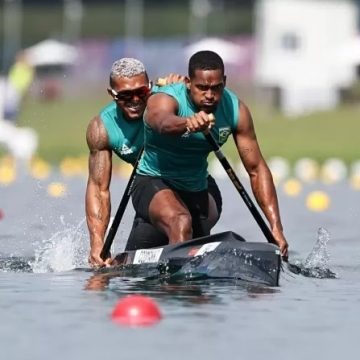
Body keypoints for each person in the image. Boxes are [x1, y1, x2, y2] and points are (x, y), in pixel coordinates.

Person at [131, 50, 289, 258]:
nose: (209, 95)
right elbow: (162, 122)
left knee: (191, 229)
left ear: (224, 81)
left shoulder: (236, 110)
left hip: (198, 186)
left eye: (216, 87)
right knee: (180, 221)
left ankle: (188, 275)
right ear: (188, 82)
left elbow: (256, 169)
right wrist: (187, 123)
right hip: (153, 181)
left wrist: (276, 226)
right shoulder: (166, 99)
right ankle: (179, 286)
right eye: (202, 88)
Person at [85, 57, 223, 267]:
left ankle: (183, 282)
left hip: (196, 186)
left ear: (150, 87)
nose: (135, 100)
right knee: (130, 263)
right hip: (154, 190)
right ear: (111, 94)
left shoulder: (165, 98)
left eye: (141, 92)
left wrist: (180, 89)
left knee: (183, 222)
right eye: (124, 95)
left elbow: (198, 95)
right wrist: (97, 243)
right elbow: (98, 189)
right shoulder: (102, 128)